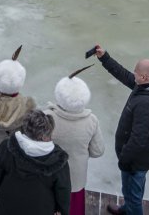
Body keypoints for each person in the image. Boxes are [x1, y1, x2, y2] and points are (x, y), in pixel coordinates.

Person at [93, 45, 149, 215]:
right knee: (129, 190)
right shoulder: (148, 85)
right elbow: (124, 75)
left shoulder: (148, 104)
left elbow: (138, 139)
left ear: (144, 76)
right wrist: (105, 58)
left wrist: (124, 161)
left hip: (135, 161)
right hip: (132, 158)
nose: (133, 75)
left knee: (134, 196)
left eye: (136, 73)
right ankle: (126, 209)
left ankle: (131, 209)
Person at [0, 110, 72, 215]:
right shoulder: (58, 160)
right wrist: (63, 211)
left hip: (7, 206)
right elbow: (63, 192)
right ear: (45, 135)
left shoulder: (8, 146)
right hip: (41, 209)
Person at [46, 70, 104, 215]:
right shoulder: (91, 120)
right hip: (75, 179)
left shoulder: (47, 117)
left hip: (48, 176)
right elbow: (98, 151)